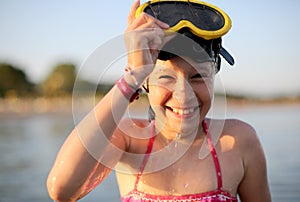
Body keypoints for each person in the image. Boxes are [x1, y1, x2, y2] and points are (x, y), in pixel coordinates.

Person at [47, 0, 271, 201]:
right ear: (145, 83)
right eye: (165, 78)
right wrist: (132, 76)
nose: (184, 95)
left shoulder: (237, 141)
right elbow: (62, 190)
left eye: (198, 77)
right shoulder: (128, 139)